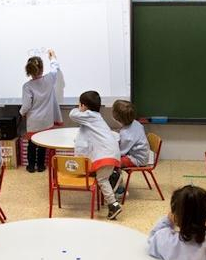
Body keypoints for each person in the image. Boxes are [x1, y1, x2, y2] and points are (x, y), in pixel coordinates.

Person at [70, 91, 123, 220]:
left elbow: (72, 114)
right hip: (110, 153)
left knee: (102, 180)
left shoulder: (89, 115)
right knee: (102, 176)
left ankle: (114, 205)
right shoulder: (96, 117)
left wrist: (80, 109)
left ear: (84, 106)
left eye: (80, 104)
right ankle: (114, 177)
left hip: (106, 155)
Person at [19, 49, 63, 173]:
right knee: (43, 144)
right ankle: (41, 166)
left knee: (32, 145)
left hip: (34, 121)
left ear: (28, 71)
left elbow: (26, 105)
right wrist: (53, 57)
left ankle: (31, 166)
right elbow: (55, 68)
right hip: (46, 120)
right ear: (42, 69)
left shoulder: (27, 86)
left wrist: (21, 113)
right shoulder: (49, 79)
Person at [110, 100, 150, 199]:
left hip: (137, 159)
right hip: (140, 154)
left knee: (112, 162)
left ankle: (119, 190)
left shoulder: (127, 135)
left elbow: (120, 152)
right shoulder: (135, 123)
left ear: (117, 117)